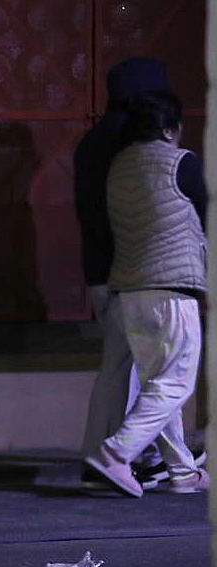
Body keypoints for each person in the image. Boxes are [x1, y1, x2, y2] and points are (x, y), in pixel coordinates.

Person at [83, 89, 208, 497]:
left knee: (158, 381)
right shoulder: (181, 162)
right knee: (175, 384)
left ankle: (182, 472)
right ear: (170, 129)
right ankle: (115, 454)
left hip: (130, 293)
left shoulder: (118, 166)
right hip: (172, 290)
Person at [74, 57, 172, 490]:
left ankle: (120, 454)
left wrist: (94, 273)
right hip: (139, 270)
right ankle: (118, 456)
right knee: (157, 371)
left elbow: (88, 215)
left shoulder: (92, 141)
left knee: (120, 368)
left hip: (105, 270)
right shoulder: (138, 143)